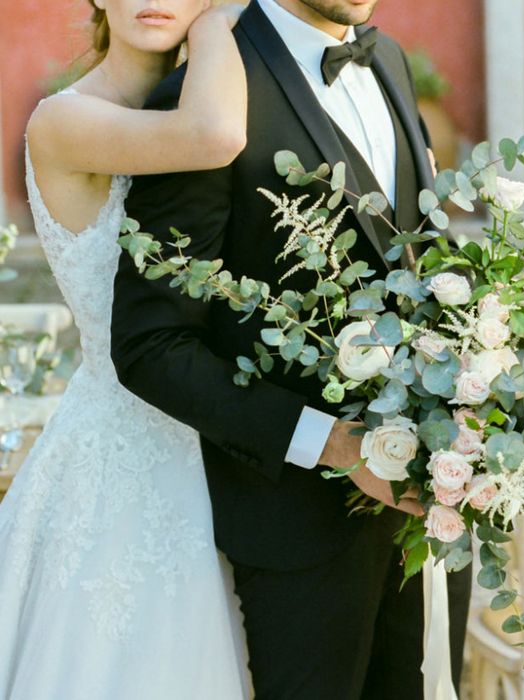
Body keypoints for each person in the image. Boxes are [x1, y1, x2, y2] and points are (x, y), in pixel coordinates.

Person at [110, 1, 472, 698]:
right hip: (296, 531)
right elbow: (150, 343)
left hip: (428, 507)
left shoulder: (388, 59)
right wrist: (335, 445)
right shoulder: (203, 90)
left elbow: (417, 263)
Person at [0, 2, 252, 698]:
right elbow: (216, 133)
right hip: (116, 456)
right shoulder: (62, 120)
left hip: (223, 437)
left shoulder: (216, 83)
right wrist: (211, 22)